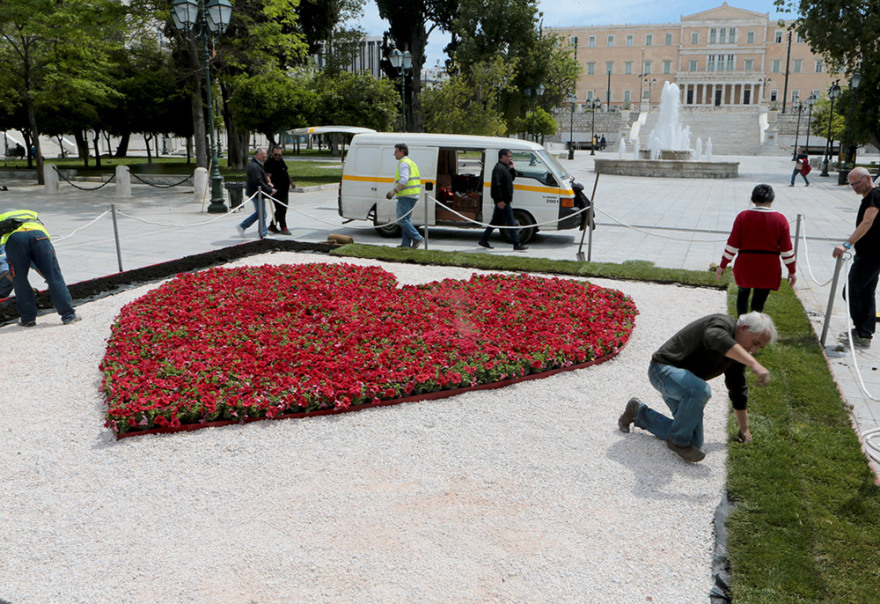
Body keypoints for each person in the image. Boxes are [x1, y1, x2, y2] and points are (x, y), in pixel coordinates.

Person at [618, 312, 775, 462]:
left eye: (759, 347)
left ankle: (637, 412)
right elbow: (715, 338)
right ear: (744, 327)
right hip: (661, 371)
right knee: (701, 390)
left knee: (693, 442)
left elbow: (738, 391)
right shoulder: (721, 324)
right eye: (755, 342)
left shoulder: (737, 357)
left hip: (685, 388)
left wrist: (744, 429)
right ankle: (677, 441)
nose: (753, 350)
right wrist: (753, 363)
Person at [716, 184, 796, 316]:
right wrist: (792, 271)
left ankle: (741, 325)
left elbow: (732, 245)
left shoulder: (743, 216)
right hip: (768, 266)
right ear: (771, 199)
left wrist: (723, 265)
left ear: (753, 199)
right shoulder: (780, 219)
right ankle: (754, 330)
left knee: (742, 296)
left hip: (746, 263)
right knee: (759, 301)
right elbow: (787, 250)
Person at [0, 209, 80, 326]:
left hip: (15, 241)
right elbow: (36, 261)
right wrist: (47, 277)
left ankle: (28, 320)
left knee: (20, 281)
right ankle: (69, 316)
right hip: (40, 238)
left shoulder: (3, 220)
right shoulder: (32, 215)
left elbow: (6, 262)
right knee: (54, 277)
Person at [833, 167, 880, 348]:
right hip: (868, 253)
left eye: (857, 183)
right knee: (866, 292)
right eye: (852, 185)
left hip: (872, 254)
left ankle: (863, 331)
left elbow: (867, 221)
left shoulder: (875, 195)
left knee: (852, 290)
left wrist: (847, 244)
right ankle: (864, 332)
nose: (854, 187)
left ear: (868, 178)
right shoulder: (870, 196)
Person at [478, 149, 529, 251]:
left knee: (495, 221)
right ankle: (516, 244)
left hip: (505, 201)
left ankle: (484, 240)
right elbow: (496, 186)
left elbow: (511, 178)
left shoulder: (505, 168)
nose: (510, 158)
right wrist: (499, 200)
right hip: (503, 202)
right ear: (503, 157)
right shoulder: (498, 169)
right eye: (509, 156)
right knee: (510, 222)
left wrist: (512, 168)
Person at [385, 143, 424, 249]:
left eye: (396, 151)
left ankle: (417, 238)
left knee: (402, 220)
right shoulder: (411, 162)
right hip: (413, 195)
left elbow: (404, 179)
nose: (394, 154)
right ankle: (405, 244)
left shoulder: (403, 163)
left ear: (402, 152)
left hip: (406, 196)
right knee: (406, 220)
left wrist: (394, 191)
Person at [237, 148, 276, 238]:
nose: (264, 158)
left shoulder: (256, 165)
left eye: (265, 156)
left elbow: (261, 179)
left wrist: (268, 183)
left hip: (258, 192)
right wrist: (270, 190)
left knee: (260, 213)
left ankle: (243, 226)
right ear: (256, 155)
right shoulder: (254, 166)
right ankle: (263, 233)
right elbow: (258, 182)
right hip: (256, 193)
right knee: (262, 214)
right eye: (263, 156)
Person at [264, 146, 293, 235]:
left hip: (284, 189)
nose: (277, 156)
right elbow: (267, 175)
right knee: (281, 208)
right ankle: (283, 227)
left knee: (283, 208)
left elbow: (285, 173)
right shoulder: (269, 163)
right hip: (275, 190)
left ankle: (272, 225)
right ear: (272, 153)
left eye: (279, 155)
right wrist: (270, 184)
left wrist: (291, 182)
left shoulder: (281, 161)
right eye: (275, 154)